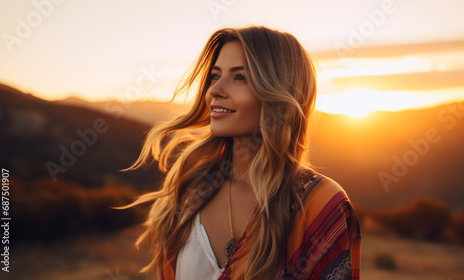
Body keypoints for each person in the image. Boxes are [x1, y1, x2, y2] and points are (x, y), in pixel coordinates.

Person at [123, 26, 361, 280]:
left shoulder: (319, 205)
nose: (215, 90)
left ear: (279, 93)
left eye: (240, 77)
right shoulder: (191, 190)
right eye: (215, 76)